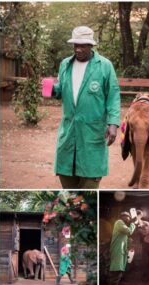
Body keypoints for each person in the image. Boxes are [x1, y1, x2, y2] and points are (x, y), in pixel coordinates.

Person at [52, 26, 120, 189]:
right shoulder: (65, 65)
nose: (78, 49)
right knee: (67, 182)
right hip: (69, 131)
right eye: (76, 45)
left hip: (93, 131)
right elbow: (61, 90)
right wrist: (51, 89)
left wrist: (113, 124)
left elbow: (113, 95)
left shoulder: (104, 66)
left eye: (83, 45)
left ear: (91, 46)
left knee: (90, 184)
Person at [108, 212, 136, 285]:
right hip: (117, 251)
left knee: (118, 272)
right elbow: (129, 231)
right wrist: (132, 223)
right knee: (116, 271)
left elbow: (126, 237)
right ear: (123, 217)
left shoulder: (122, 225)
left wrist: (130, 245)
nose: (129, 219)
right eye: (128, 217)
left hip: (121, 252)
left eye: (129, 217)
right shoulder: (119, 222)